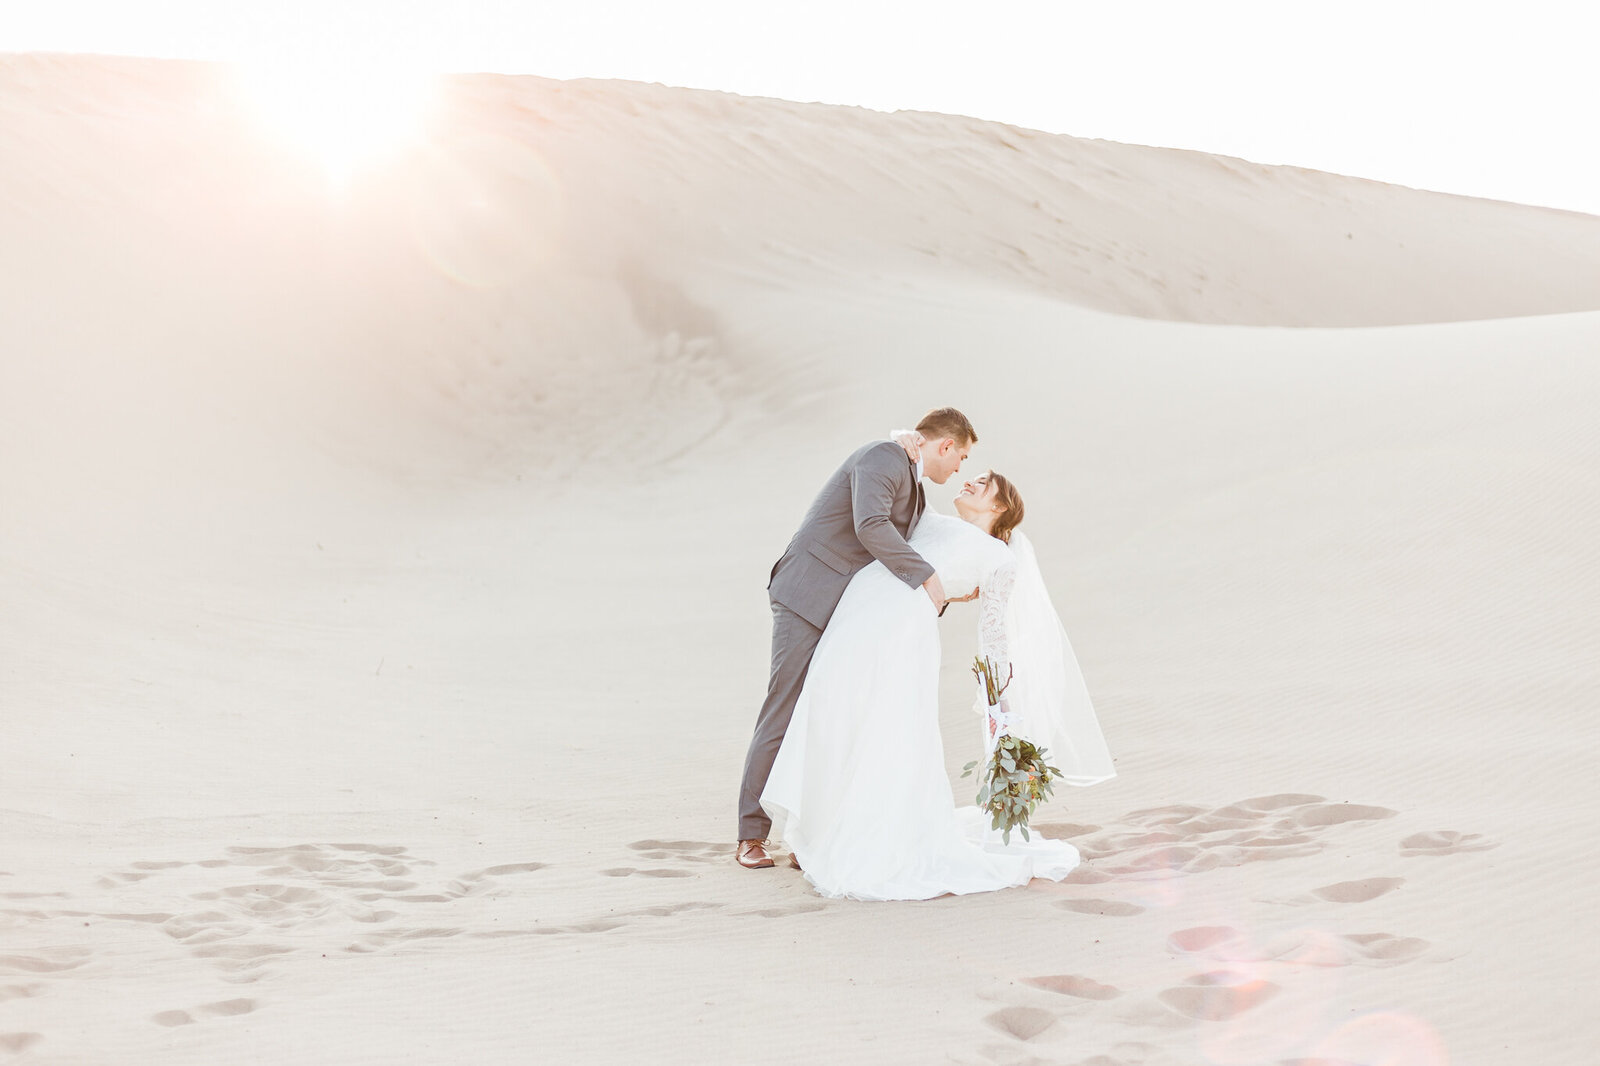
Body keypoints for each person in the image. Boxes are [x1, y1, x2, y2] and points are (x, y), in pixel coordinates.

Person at [761, 466, 1115, 900]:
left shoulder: (1000, 558)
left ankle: (858, 834)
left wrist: (997, 699)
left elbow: (994, 630)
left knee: (886, 731)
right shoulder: (932, 523)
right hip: (853, 621)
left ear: (999, 506)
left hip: (899, 638)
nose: (968, 481)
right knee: (833, 715)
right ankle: (816, 829)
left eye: (982, 484)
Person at [735, 408, 978, 869]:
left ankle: (809, 834)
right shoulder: (884, 457)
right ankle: (750, 834)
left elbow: (912, 542)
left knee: (830, 717)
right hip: (807, 595)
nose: (959, 468)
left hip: (847, 614)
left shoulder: (916, 486)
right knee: (784, 708)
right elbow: (871, 526)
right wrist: (925, 578)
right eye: (961, 456)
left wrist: (956, 589)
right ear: (945, 445)